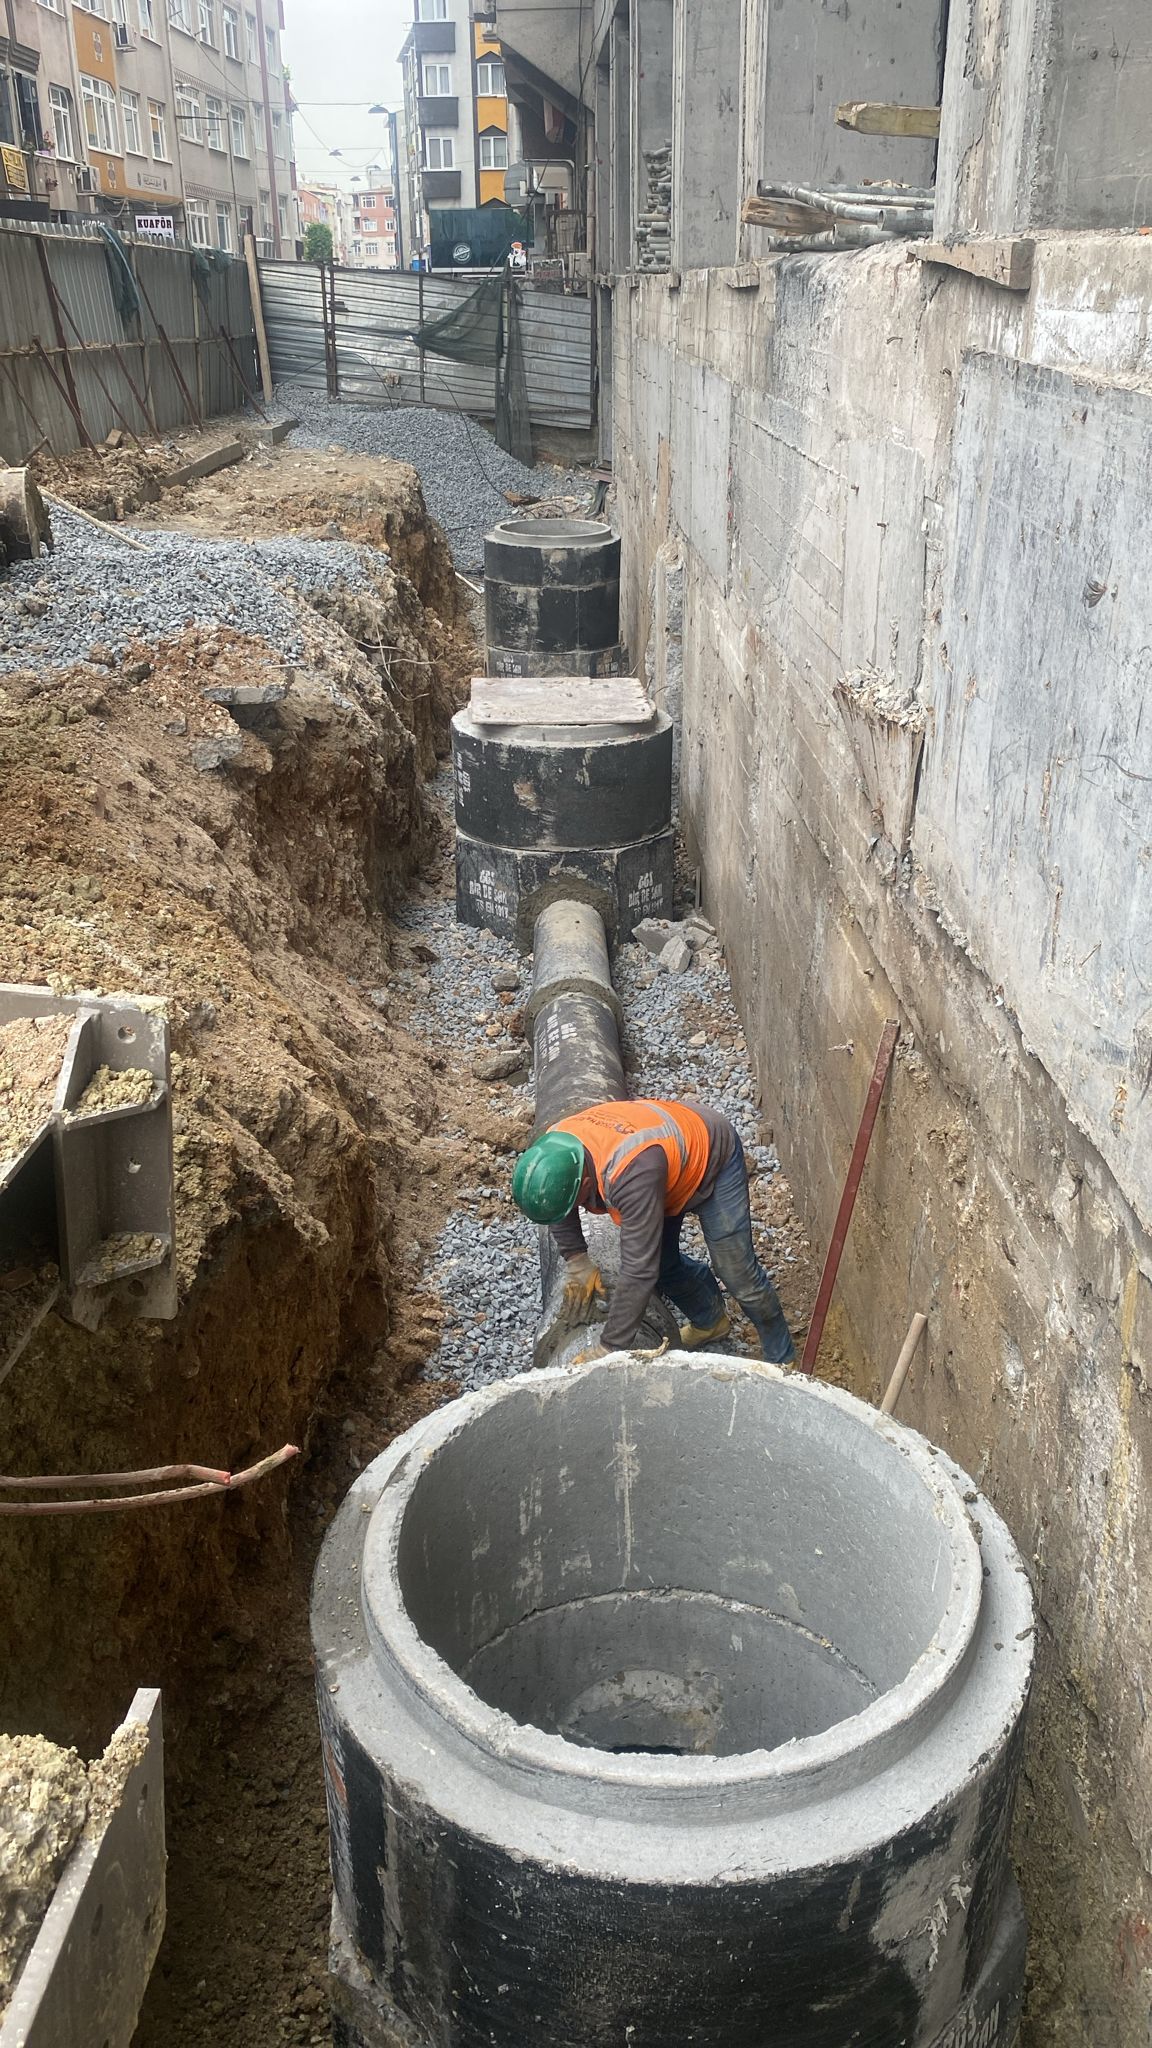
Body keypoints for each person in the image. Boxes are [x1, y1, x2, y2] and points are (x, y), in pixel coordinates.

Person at [511, 1098, 795, 1364]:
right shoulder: (555, 1148)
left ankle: (781, 1356)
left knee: (736, 1271)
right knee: (662, 1263)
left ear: (585, 1184)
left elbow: (638, 1270)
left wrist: (609, 1347)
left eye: (579, 1199)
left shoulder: (629, 1174)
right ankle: (711, 1322)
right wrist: (576, 1260)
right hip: (667, 1165)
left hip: (710, 1154)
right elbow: (557, 1206)